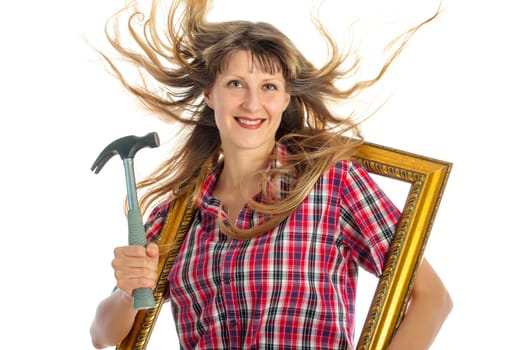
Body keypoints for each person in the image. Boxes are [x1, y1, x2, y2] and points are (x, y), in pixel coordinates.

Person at [90, 0, 452, 349]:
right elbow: (103, 335)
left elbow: (432, 297)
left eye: (268, 86)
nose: (252, 103)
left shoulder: (332, 182)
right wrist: (127, 291)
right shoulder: (176, 217)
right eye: (235, 84)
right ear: (209, 94)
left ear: (285, 98)